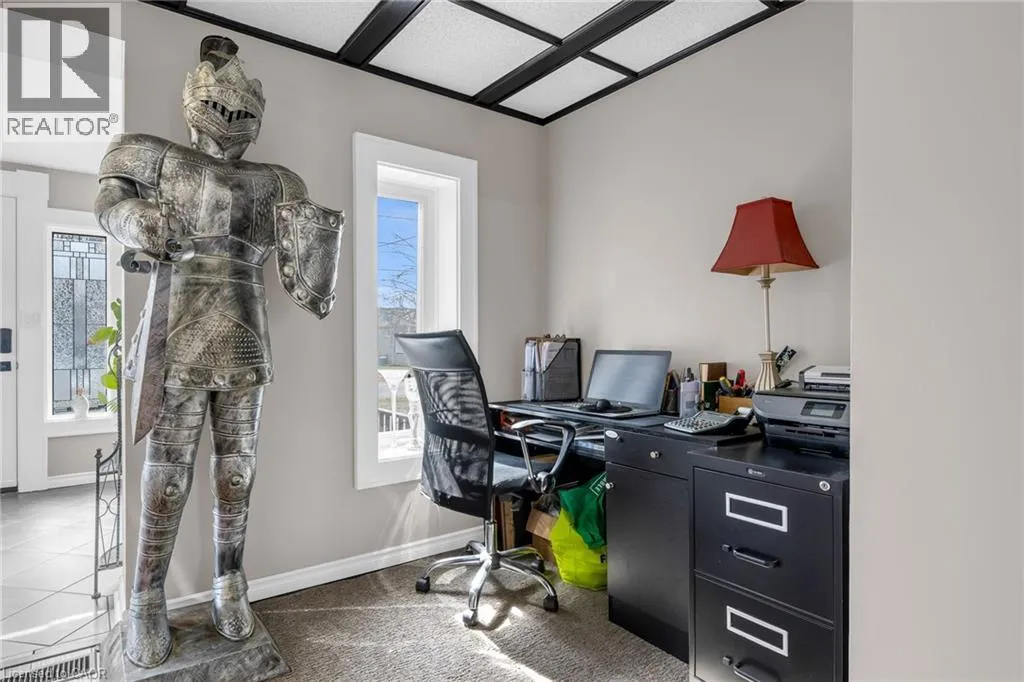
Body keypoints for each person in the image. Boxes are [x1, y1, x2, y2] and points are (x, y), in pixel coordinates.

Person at [93, 35, 342, 668]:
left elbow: (309, 262)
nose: (230, 115)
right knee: (167, 477)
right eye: (220, 102)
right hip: (176, 329)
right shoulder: (155, 155)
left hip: (246, 334)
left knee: (237, 472)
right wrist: (133, 220)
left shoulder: (278, 182)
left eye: (243, 107)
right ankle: (146, 597)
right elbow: (110, 198)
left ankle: (230, 582)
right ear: (195, 99)